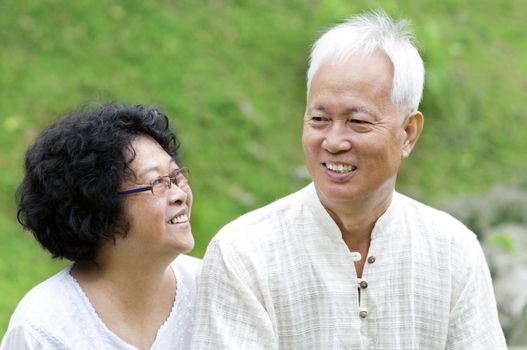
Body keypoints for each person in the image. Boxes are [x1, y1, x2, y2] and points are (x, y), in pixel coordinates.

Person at [192, 11, 507, 349]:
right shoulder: (244, 254)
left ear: (408, 133)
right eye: (319, 118)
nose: (333, 141)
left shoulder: (453, 251)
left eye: (357, 122)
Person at [1, 103, 201, 350]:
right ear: (101, 206)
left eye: (176, 176)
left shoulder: (212, 289)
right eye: (157, 182)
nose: (179, 194)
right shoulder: (44, 328)